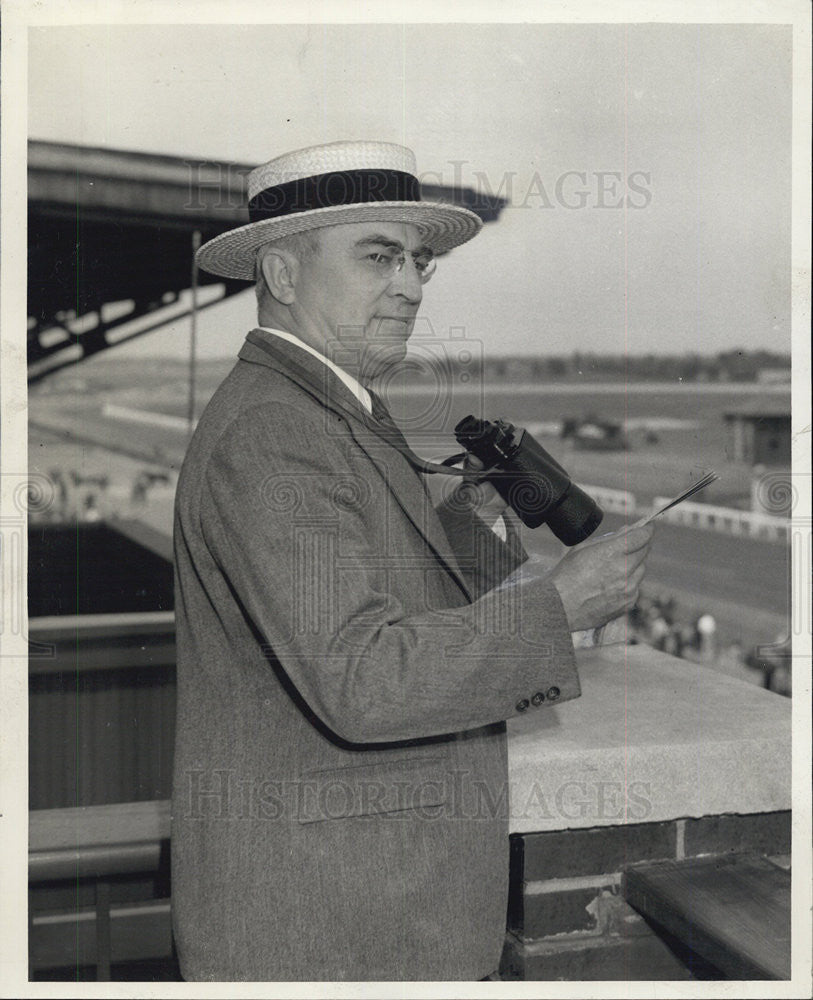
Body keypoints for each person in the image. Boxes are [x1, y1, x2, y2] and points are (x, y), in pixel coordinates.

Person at [171, 140, 653, 981]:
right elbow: (363, 677)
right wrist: (558, 608)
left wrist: (480, 520)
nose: (411, 285)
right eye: (378, 256)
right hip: (331, 930)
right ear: (282, 274)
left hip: (358, 913)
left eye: (418, 260)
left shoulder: (324, 407)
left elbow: (372, 595)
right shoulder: (277, 432)